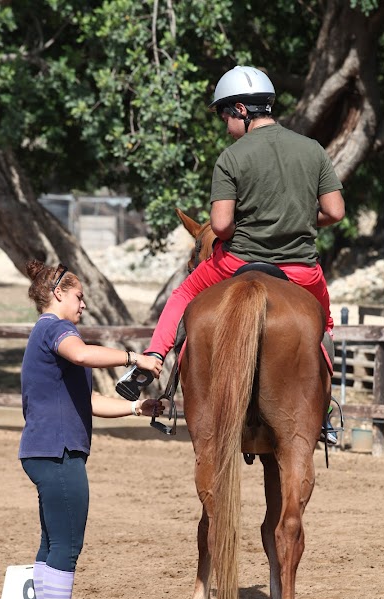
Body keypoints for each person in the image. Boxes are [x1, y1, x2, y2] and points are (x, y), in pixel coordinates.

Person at [116, 65, 345, 442]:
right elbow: (335, 212)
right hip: (301, 270)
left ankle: (152, 361)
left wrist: (254, 227)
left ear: (241, 109)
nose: (226, 126)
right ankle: (321, 411)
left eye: (225, 116)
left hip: (237, 262)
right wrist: (295, 221)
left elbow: (220, 227)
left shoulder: (232, 157)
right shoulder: (313, 150)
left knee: (183, 294)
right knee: (324, 328)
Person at [19, 260, 163, 599]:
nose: (84, 305)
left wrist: (138, 407)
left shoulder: (52, 338)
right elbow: (83, 355)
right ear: (59, 293)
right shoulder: (56, 330)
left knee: (52, 543)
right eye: (80, 296)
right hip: (58, 451)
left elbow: (92, 402)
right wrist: (134, 356)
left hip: (42, 451)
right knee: (67, 544)